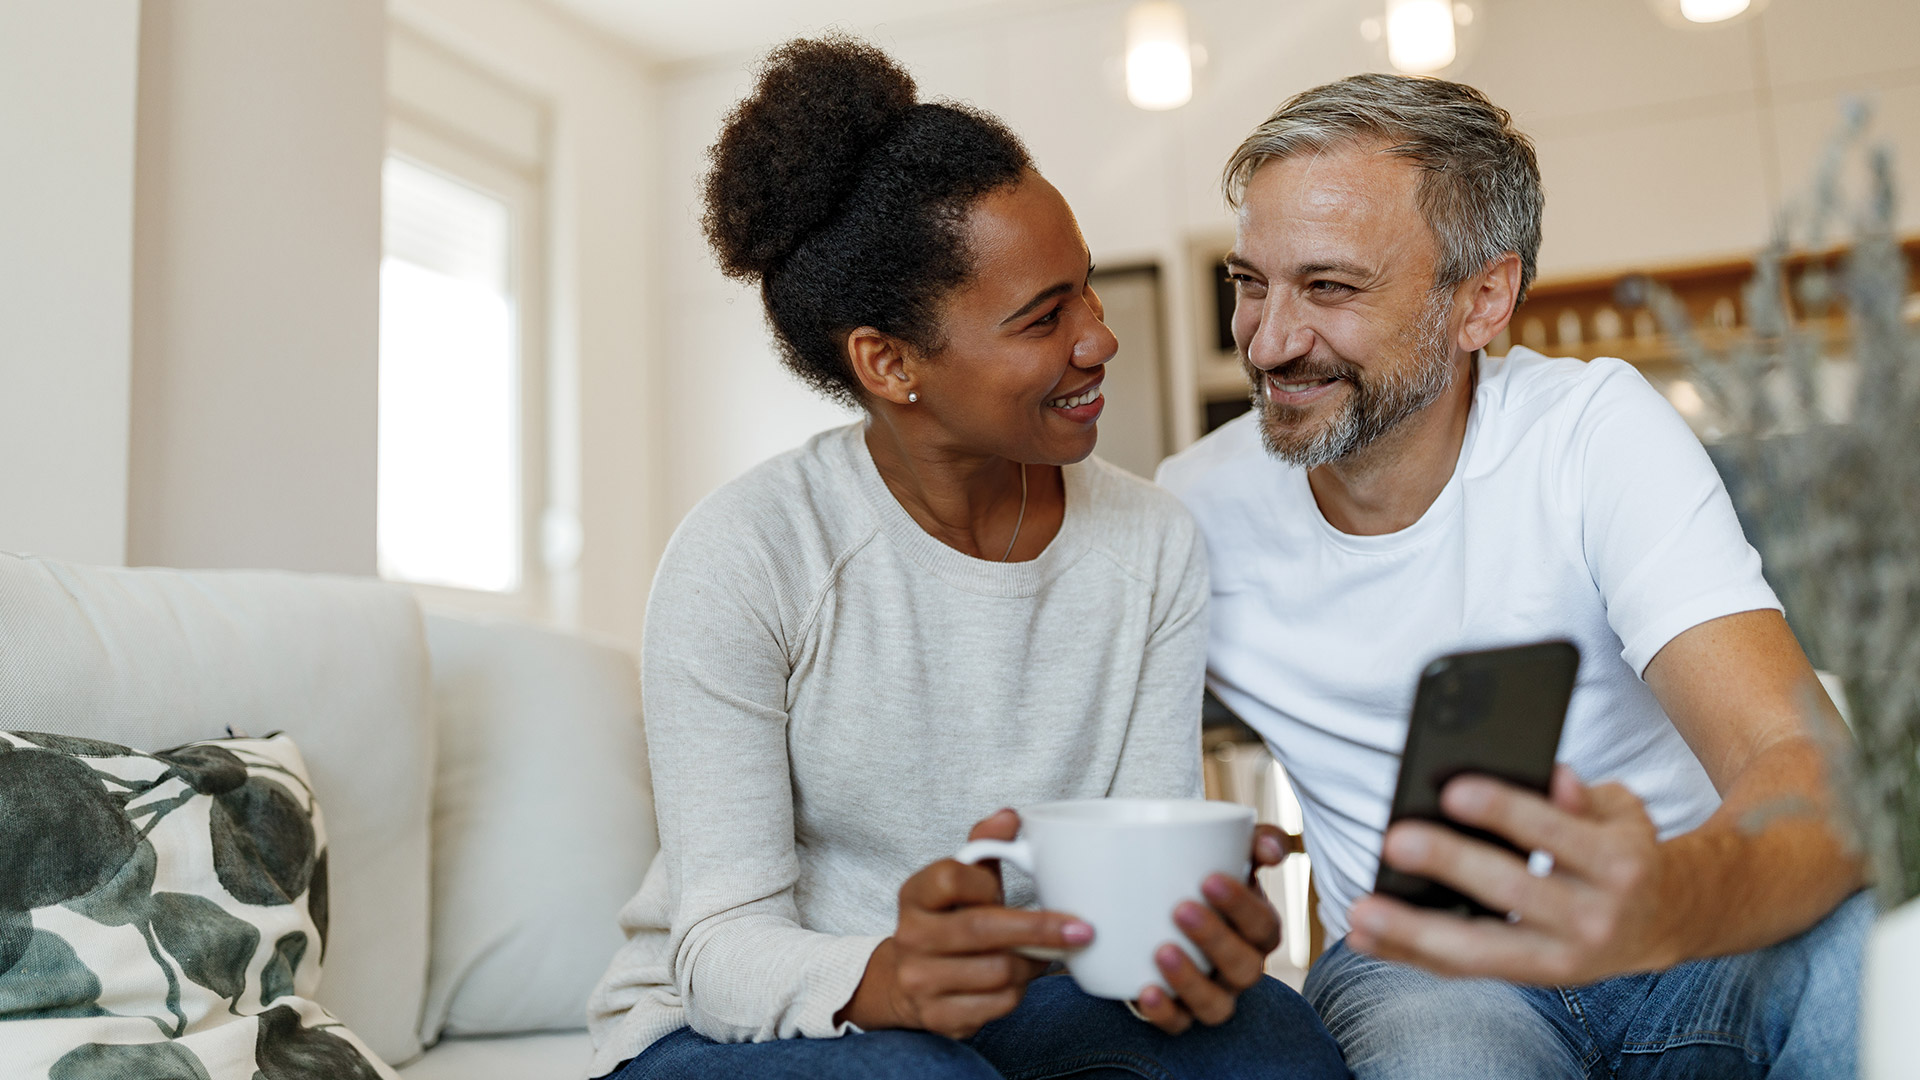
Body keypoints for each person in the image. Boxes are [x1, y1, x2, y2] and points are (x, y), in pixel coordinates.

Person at [585, 37, 1349, 1080]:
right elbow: (719, 952)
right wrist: (893, 978)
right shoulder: (748, 556)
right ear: (889, 363)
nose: (1099, 339)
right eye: (1045, 317)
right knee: (919, 1076)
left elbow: (1125, 901)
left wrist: (1189, 939)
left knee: (1271, 1037)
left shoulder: (1150, 543)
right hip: (734, 1025)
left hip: (1032, 1005)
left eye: (1085, 290)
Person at [1157, 73, 1871, 1079]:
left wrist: (1665, 901)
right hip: (1426, 966)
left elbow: (1807, 769)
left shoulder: (1591, 432)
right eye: (1249, 282)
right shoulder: (1189, 515)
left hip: (1689, 926)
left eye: (1329, 287)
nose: (1270, 341)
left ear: (1481, 300)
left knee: (1867, 963)